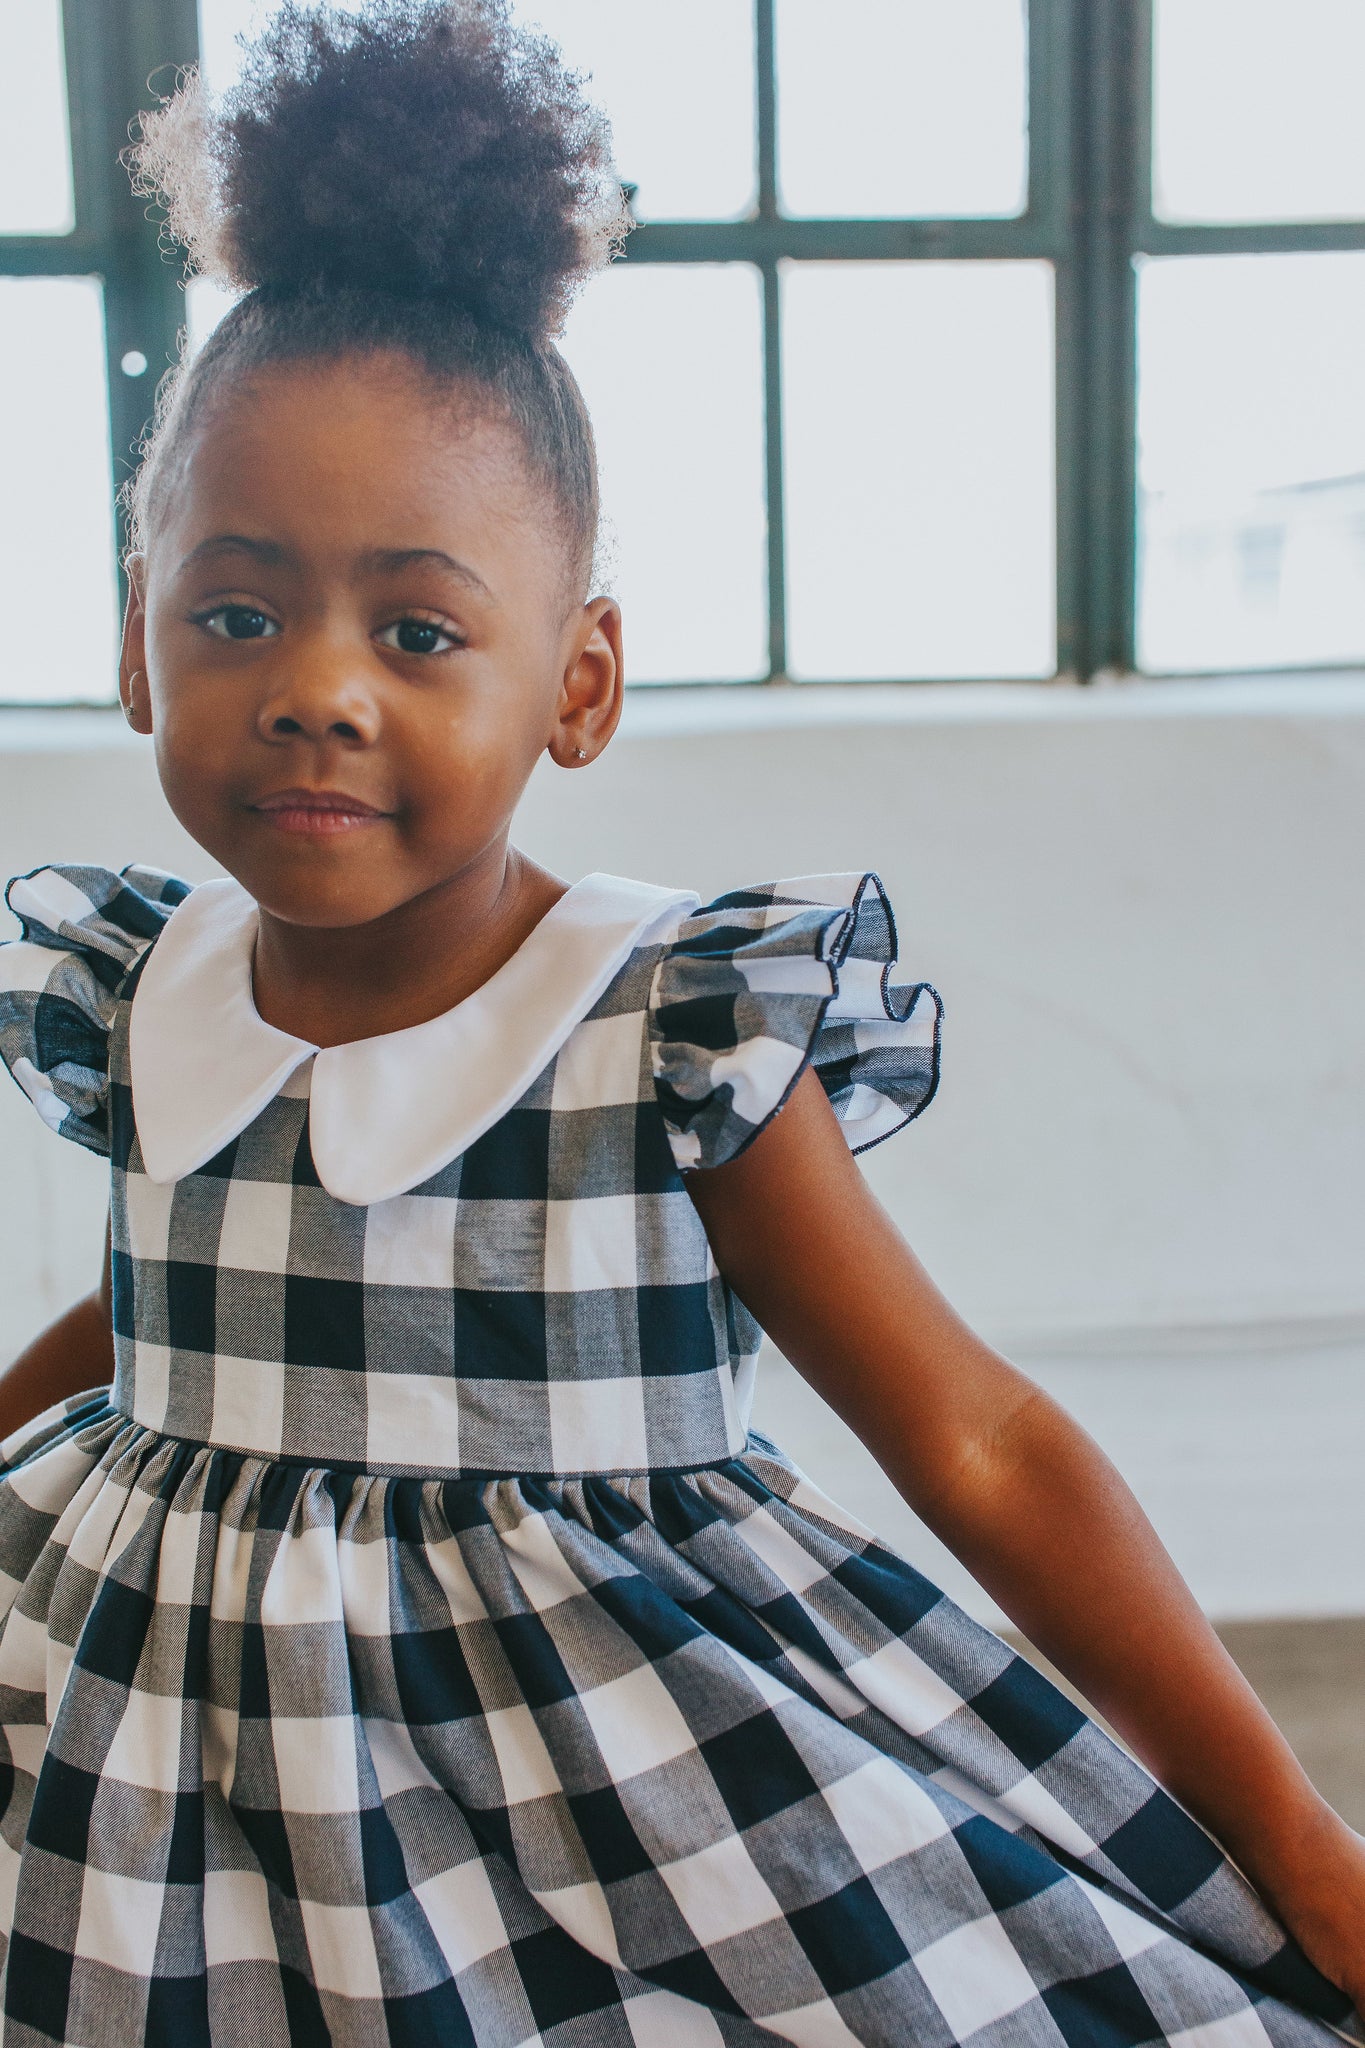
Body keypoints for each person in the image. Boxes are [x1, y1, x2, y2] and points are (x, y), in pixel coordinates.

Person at [0, 4, 1359, 2042]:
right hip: (166, 1791)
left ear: (579, 680)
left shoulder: (659, 1027)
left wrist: (1300, 1842)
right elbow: (186, 1309)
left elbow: (974, 1437)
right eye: (236, 611)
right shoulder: (149, 991)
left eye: (422, 627)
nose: (319, 686)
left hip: (587, 1804)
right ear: (135, 641)